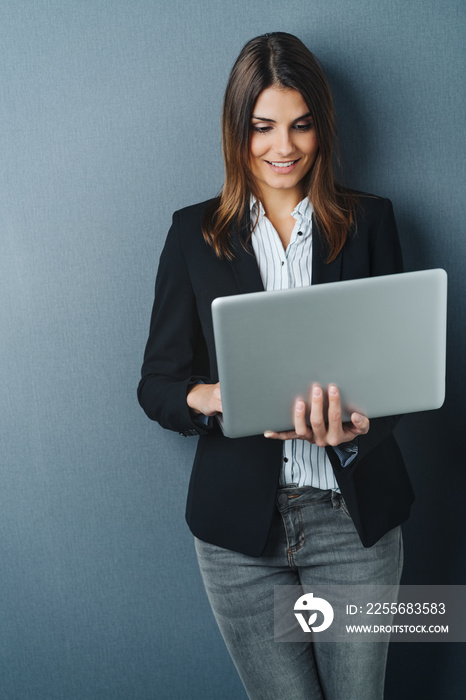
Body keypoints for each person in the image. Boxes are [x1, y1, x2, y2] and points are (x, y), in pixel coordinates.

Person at [138, 32, 414, 700]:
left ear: (322, 126)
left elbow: (404, 375)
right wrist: (213, 398)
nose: (283, 148)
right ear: (238, 131)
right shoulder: (192, 236)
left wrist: (357, 428)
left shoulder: (370, 223)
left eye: (301, 126)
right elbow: (158, 385)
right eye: (263, 128)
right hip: (239, 540)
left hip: (354, 526)